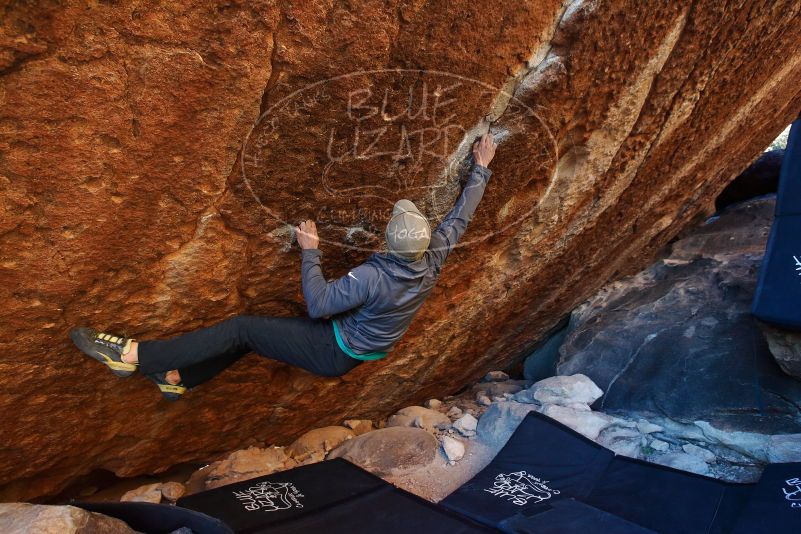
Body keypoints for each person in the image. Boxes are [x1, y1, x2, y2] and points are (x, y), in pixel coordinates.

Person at [70, 133, 498, 400]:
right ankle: (179, 376)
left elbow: (319, 304)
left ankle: (133, 355)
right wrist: (480, 169)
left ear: (389, 242)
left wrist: (310, 250)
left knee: (241, 328)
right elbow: (461, 217)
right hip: (355, 348)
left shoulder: (373, 277)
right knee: (254, 336)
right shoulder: (435, 254)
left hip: (334, 347)